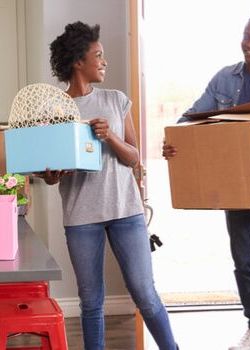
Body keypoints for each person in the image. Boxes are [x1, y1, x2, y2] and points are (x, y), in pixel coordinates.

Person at [163, 12, 250, 350]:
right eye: (247, 36)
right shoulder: (225, 80)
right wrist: (177, 140)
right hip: (237, 185)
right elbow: (193, 117)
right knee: (242, 261)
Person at [41, 21, 178, 350]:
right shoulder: (53, 109)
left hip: (125, 211)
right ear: (78, 61)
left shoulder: (116, 100)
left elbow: (134, 158)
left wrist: (110, 136)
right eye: (98, 55)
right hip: (80, 217)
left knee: (145, 294)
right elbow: (47, 176)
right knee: (91, 302)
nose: (105, 61)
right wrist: (52, 174)